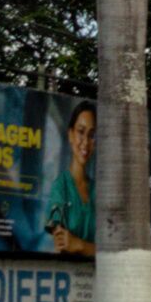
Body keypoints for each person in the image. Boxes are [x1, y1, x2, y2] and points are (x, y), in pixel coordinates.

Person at [43, 100, 95, 256]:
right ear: (70, 134)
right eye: (80, 131)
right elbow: (62, 244)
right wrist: (96, 249)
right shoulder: (61, 187)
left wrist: (80, 245)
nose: (85, 142)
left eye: (91, 135)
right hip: (73, 277)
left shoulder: (99, 191)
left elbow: (114, 251)